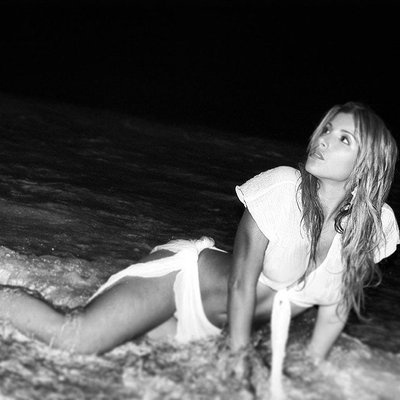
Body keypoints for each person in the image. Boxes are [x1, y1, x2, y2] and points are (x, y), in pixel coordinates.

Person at [0, 102, 398, 391]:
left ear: (367, 164)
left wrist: (314, 372)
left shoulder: (375, 227)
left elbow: (336, 308)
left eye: (342, 138)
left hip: (205, 330)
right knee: (74, 340)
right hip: (180, 284)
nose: (323, 140)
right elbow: (241, 283)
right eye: (326, 129)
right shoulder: (282, 188)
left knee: (118, 375)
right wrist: (239, 356)